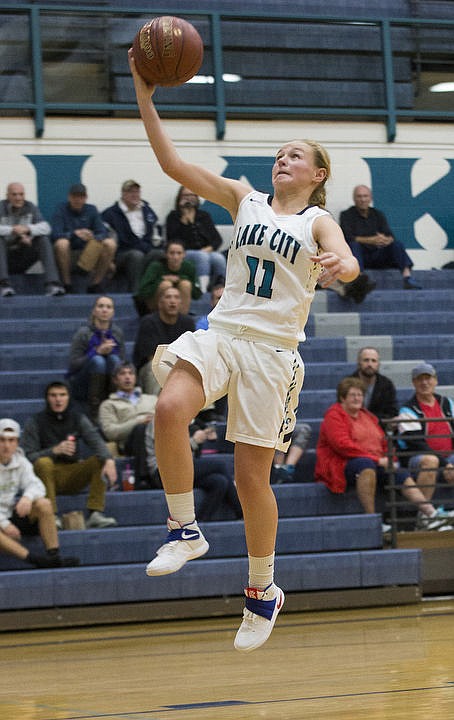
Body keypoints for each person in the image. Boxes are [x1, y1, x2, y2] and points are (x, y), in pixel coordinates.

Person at [129, 48, 360, 653]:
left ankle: (262, 590)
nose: (283, 159)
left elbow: (349, 258)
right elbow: (171, 161)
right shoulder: (244, 198)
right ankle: (184, 529)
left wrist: (343, 264)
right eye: (280, 153)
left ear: (317, 175)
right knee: (168, 407)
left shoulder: (316, 223)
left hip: (274, 354)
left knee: (250, 478)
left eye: (296, 156)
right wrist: (145, 96)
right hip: (223, 334)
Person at [315, 377, 453, 533]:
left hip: (376, 462)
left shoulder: (368, 416)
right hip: (344, 463)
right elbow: (342, 446)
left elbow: (384, 441)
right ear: (342, 397)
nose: (357, 398)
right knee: (365, 466)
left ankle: (429, 514)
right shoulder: (334, 415)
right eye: (353, 395)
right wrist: (377, 459)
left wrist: (390, 458)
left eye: (360, 395)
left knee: (398, 473)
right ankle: (372, 520)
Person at [21, 381, 118, 529]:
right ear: (47, 398)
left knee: (100, 459)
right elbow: (27, 457)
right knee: (43, 462)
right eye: (53, 395)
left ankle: (95, 513)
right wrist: (54, 451)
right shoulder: (35, 421)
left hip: (73, 473)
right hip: (47, 475)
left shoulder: (78, 418)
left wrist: (109, 460)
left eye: (62, 395)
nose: (58, 399)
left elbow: (96, 441)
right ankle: (51, 515)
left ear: (68, 397)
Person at [0, 418, 80, 568]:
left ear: (17, 443)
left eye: (11, 440)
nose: (6, 445)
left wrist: (27, 497)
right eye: (2, 440)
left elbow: (37, 486)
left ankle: (54, 556)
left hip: (11, 513)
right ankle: (35, 560)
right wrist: (4, 524)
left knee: (44, 504)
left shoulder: (21, 461)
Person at [145, 416, 243, 520]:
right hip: (163, 472)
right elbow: (170, 456)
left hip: (182, 469)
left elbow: (206, 426)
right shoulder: (162, 420)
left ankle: (201, 522)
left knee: (220, 482)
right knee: (219, 465)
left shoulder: (188, 419)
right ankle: (242, 512)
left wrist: (208, 432)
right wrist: (194, 441)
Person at [397, 362, 454, 528]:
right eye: (419, 379)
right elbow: (416, 444)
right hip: (415, 458)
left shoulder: (448, 404)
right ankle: (425, 517)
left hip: (448, 455)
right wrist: (446, 464)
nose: (424, 383)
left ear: (435, 381)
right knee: (430, 461)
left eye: (428, 378)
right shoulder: (407, 410)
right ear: (414, 383)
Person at [340, 185, 422, 290]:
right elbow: (348, 238)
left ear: (370, 198)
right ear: (354, 199)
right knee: (354, 245)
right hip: (360, 257)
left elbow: (390, 236)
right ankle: (359, 280)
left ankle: (407, 278)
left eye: (365, 196)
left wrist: (385, 240)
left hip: (378, 255)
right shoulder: (346, 215)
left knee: (397, 244)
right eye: (359, 197)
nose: (363, 199)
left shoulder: (378, 214)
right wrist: (372, 240)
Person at [99, 362, 158, 490]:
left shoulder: (152, 399)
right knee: (140, 429)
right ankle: (143, 477)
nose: (127, 377)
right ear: (115, 380)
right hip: (129, 443)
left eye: (130, 373)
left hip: (158, 438)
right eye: (122, 374)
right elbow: (110, 432)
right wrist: (138, 421)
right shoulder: (108, 404)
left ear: (135, 377)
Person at [0, 182, 65, 297]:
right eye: (14, 195)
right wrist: (12, 230)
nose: (18, 198)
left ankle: (52, 284)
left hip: (23, 254)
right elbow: (11, 231)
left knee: (43, 239)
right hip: (5, 257)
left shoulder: (30, 207)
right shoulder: (1, 207)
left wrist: (28, 230)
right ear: (7, 196)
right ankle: (3, 285)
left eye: (21, 194)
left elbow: (46, 227)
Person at [67, 295, 126, 422]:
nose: (104, 310)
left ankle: (113, 401)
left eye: (108, 307)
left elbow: (122, 362)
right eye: (101, 306)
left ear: (113, 312)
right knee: (98, 361)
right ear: (94, 311)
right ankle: (94, 407)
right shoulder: (83, 333)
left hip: (109, 378)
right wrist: (96, 352)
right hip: (83, 380)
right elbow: (73, 364)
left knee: (115, 360)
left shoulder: (117, 333)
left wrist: (110, 353)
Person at [51, 183, 116, 293]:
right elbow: (55, 235)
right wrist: (74, 234)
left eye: (81, 197)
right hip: (69, 253)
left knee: (110, 243)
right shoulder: (61, 210)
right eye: (75, 196)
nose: (78, 200)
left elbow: (103, 232)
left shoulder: (92, 210)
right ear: (69, 197)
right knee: (62, 243)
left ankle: (95, 284)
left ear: (85, 198)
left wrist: (92, 236)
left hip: (89, 253)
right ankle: (67, 284)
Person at [133, 286, 195, 396]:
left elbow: (192, 354)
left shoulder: (188, 322)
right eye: (168, 297)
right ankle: (156, 407)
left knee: (197, 369)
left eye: (176, 297)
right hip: (151, 366)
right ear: (160, 303)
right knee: (157, 368)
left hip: (180, 365)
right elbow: (152, 357)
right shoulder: (148, 322)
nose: (172, 301)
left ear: (181, 303)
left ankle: (205, 411)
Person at [101, 179, 162, 292]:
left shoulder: (147, 210)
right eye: (131, 192)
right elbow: (107, 240)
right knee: (136, 255)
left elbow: (156, 236)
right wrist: (110, 262)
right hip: (122, 254)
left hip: (146, 251)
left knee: (159, 254)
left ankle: (155, 292)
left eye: (137, 192)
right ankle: (137, 293)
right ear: (123, 194)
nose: (135, 195)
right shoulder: (110, 214)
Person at [166, 185, 226, 293]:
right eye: (185, 195)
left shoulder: (203, 216)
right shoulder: (173, 216)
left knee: (218, 258)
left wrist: (208, 249)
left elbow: (217, 239)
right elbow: (172, 239)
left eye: (192, 195)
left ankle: (221, 289)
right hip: (184, 252)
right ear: (179, 198)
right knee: (201, 257)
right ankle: (202, 291)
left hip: (206, 251)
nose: (189, 198)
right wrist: (184, 220)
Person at [134, 238, 201, 316]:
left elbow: (197, 295)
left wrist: (181, 279)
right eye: (172, 253)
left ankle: (182, 318)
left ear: (184, 255)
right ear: (166, 254)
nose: (175, 257)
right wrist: (161, 280)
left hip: (180, 303)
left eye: (179, 253)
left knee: (185, 284)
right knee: (166, 284)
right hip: (152, 305)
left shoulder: (189, 267)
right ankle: (159, 317)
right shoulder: (156, 266)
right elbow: (142, 292)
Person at [351, 346, 398, 423]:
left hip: (379, 428)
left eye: (373, 361)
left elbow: (392, 413)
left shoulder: (387, 385)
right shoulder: (348, 384)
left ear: (378, 364)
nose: (370, 364)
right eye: (366, 360)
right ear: (359, 362)